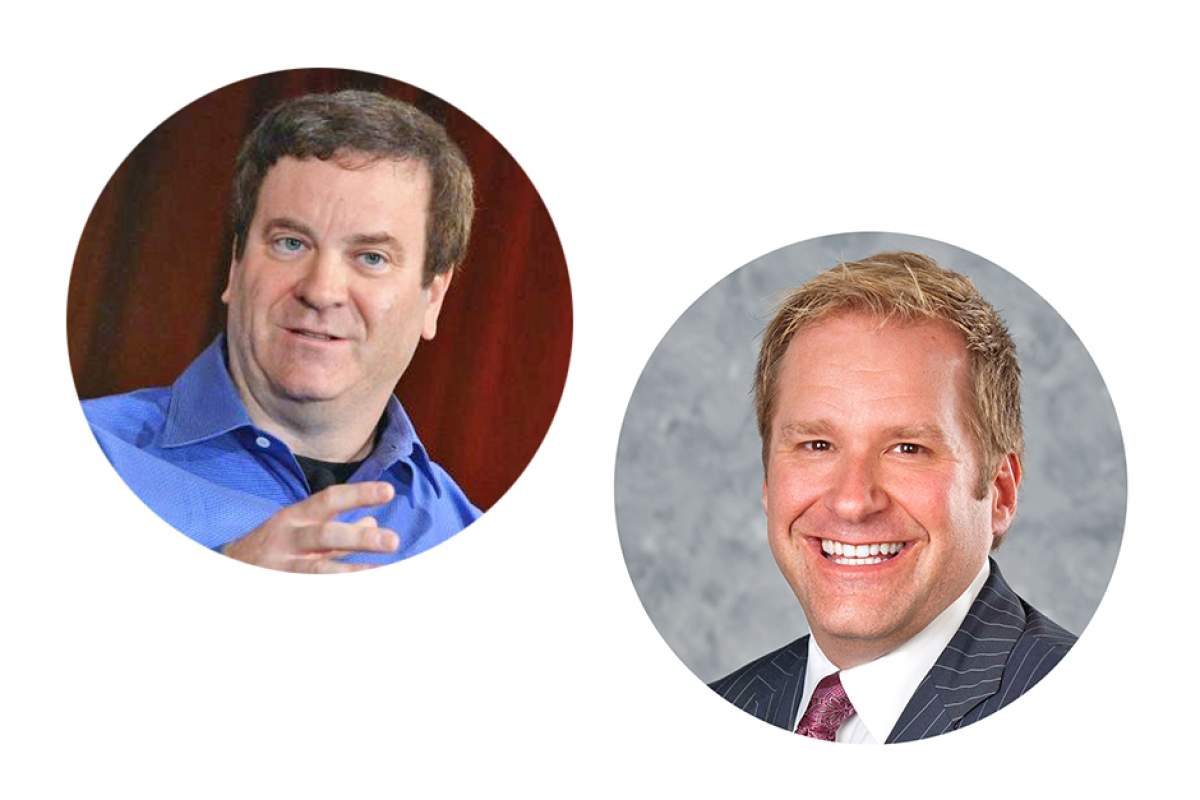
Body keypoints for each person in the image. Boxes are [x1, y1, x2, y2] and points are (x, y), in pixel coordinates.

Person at [82, 90, 480, 572]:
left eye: (371, 257)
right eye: (290, 243)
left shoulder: (468, 537)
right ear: (236, 264)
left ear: (432, 298)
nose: (321, 289)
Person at [709, 252, 1076, 742]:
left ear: (1000, 494)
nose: (853, 502)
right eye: (817, 445)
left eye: (908, 448)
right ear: (768, 482)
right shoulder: (722, 709)